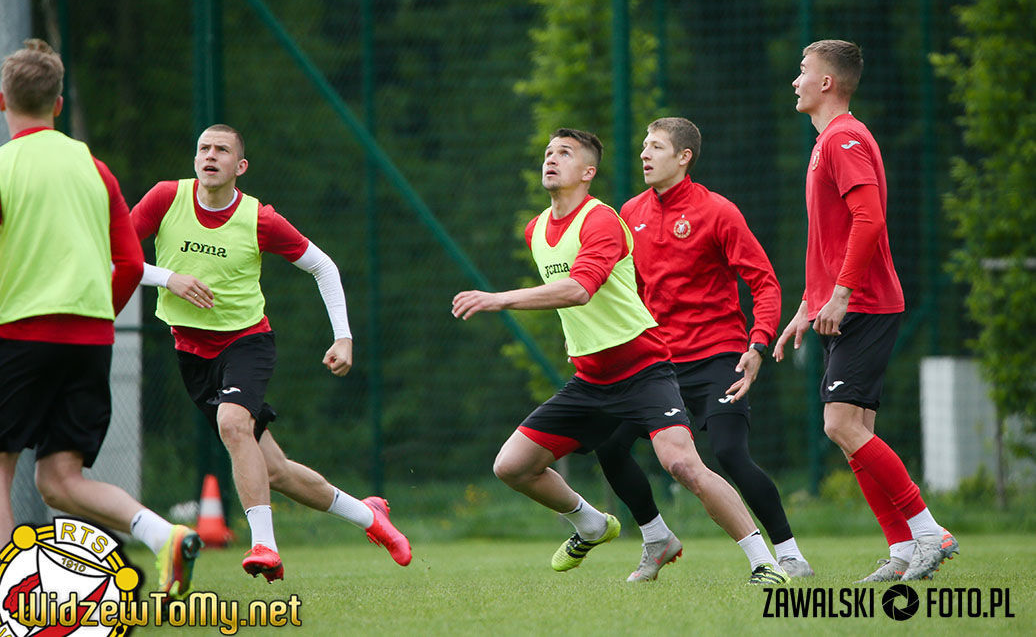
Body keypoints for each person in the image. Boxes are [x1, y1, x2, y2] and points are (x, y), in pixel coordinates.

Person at [453, 128, 788, 585]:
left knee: (684, 464)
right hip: (591, 380)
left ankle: (765, 562)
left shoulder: (603, 220)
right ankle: (592, 524)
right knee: (511, 466)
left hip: (644, 371)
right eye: (548, 152)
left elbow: (579, 289)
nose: (551, 159)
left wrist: (498, 299)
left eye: (565, 153)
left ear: (588, 172)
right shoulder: (537, 230)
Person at [131, 124, 411, 582]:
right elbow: (112, 254)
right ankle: (369, 515)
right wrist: (168, 278)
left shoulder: (258, 218)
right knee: (275, 471)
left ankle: (265, 545)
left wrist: (343, 337)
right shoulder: (166, 198)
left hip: (246, 343)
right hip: (192, 351)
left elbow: (323, 266)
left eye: (222, 150)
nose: (210, 156)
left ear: (240, 166)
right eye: (204, 148)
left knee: (232, 423)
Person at [0, 39, 200, 600]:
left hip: (20, 334)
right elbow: (131, 263)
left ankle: (13, 598)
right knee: (60, 479)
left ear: (3, 102)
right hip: (90, 340)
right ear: (59, 104)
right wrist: (95, 319)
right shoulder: (95, 169)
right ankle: (164, 536)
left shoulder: (4, 167)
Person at [593, 116, 813, 582]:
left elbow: (764, 283)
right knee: (608, 444)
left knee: (730, 453)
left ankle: (790, 554)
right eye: (643, 146)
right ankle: (656, 538)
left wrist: (758, 344)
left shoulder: (718, 211)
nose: (644, 155)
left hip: (717, 356)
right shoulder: (629, 213)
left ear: (684, 157)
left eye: (656, 147)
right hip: (655, 365)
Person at [775, 39, 958, 582]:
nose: (795, 80)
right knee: (857, 431)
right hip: (848, 303)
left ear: (827, 82)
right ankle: (902, 547)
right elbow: (830, 240)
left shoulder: (844, 138)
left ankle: (929, 532)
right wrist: (808, 305)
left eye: (803, 70)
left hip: (865, 304)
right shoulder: (827, 141)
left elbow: (869, 218)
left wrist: (841, 294)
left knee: (839, 424)